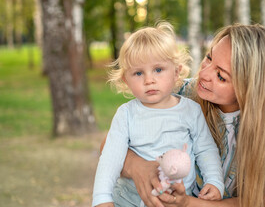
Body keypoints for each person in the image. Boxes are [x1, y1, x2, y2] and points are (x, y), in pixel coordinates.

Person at [116, 23, 265, 207]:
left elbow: (257, 201)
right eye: (209, 58)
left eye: (221, 76)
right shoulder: (182, 93)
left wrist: (188, 204)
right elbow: (108, 144)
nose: (204, 74)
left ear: (252, 90)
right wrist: (136, 167)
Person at [92, 22, 224, 207]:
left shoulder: (191, 110)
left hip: (177, 200)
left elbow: (206, 150)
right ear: (126, 80)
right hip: (129, 200)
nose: (149, 80)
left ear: (176, 72)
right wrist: (102, 199)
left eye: (158, 70)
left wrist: (214, 182)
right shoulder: (126, 115)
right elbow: (110, 159)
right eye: (138, 73)